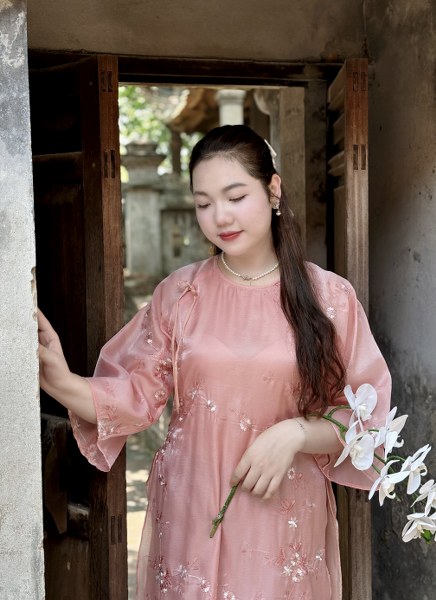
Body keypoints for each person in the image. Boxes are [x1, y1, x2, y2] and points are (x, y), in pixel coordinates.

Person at [38, 125, 391, 600]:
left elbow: (366, 420)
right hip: (191, 507)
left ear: (273, 190)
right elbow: (133, 397)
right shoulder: (180, 294)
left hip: (281, 514)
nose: (219, 216)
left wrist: (296, 434)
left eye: (235, 196)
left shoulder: (328, 297)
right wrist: (58, 380)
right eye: (203, 203)